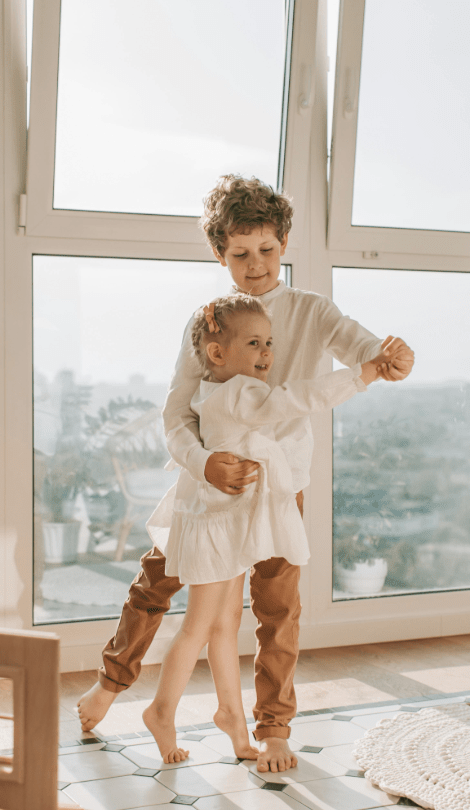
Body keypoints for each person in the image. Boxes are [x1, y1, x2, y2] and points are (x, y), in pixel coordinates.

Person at [77, 175, 415, 773]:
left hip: (280, 488)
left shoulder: (311, 310)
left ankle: (272, 727)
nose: (254, 264)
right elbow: (177, 412)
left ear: (284, 242)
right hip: (207, 487)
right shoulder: (209, 322)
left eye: (265, 249)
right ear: (219, 254)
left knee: (276, 609)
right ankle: (110, 684)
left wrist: (391, 357)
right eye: (239, 253)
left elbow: (362, 350)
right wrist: (203, 461)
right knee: (156, 583)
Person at [141, 293, 398, 763]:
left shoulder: (211, 386)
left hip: (223, 519)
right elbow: (300, 397)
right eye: (255, 343)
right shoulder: (242, 392)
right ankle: (161, 711)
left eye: (270, 343)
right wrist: (363, 375)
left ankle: (231, 720)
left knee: (223, 625)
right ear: (218, 353)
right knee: (198, 626)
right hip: (218, 525)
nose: (267, 354)